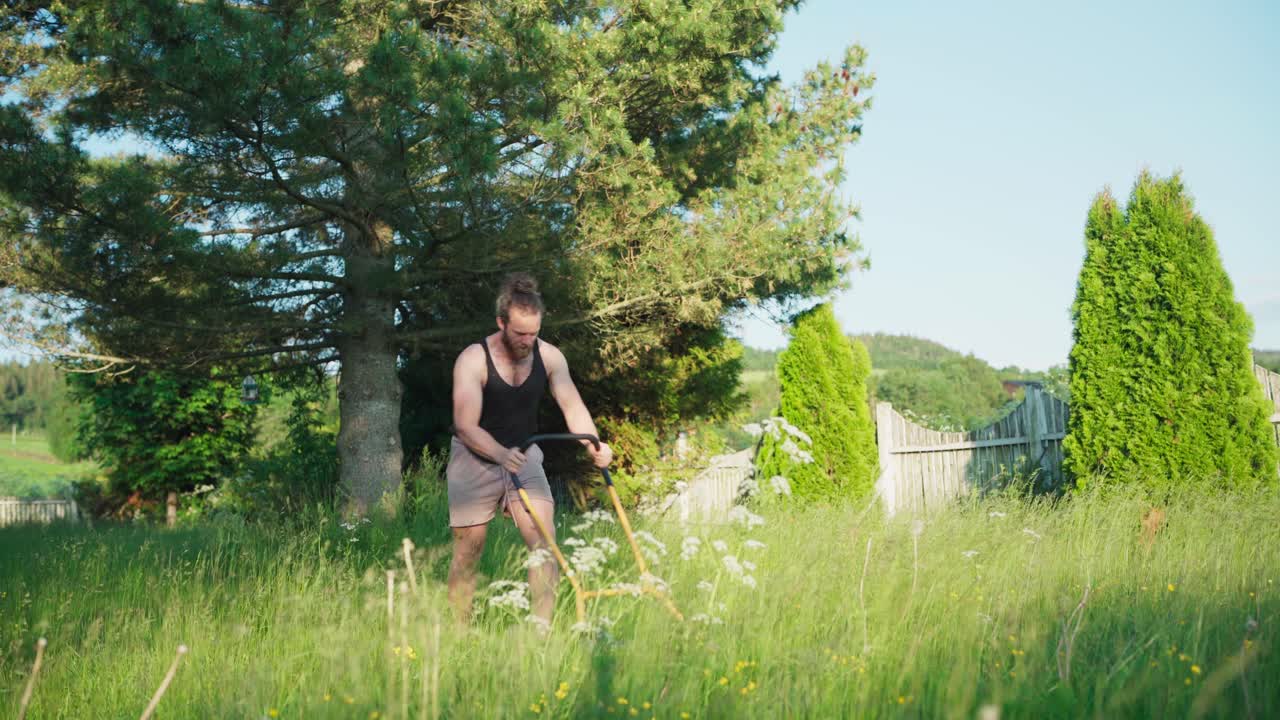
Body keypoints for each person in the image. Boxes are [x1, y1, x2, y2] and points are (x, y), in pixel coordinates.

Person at [446, 272, 613, 626]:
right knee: (469, 549)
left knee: (544, 544)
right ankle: (459, 634)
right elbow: (465, 424)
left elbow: (573, 407)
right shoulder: (473, 359)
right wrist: (500, 454)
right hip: (474, 456)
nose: (526, 341)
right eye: (519, 333)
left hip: (524, 455)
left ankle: (541, 634)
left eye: (533, 334)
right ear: (501, 322)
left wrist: (594, 444)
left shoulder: (550, 357)